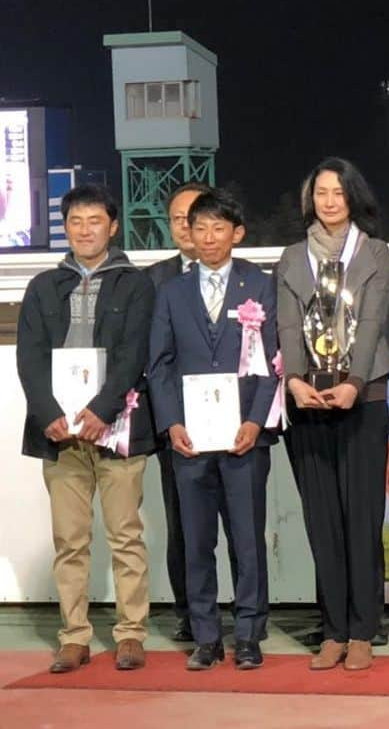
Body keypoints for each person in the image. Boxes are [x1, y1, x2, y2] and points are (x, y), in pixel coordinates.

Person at [16, 184, 156, 673]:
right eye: (75, 221)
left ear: (113, 226)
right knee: (70, 542)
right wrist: (46, 412)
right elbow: (29, 357)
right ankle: (74, 636)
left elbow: (133, 354)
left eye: (94, 220)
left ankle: (131, 633)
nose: (85, 229)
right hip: (59, 437)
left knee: (125, 537)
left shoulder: (135, 285)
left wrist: (103, 407)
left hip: (117, 430)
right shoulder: (42, 287)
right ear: (67, 228)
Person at [147, 189, 279, 671]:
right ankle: (205, 635)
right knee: (196, 541)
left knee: (247, 539)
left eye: (217, 228)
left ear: (236, 234)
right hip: (190, 440)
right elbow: (158, 365)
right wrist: (171, 422)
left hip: (245, 437)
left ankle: (248, 633)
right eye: (198, 228)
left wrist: (253, 420)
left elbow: (273, 363)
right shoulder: (171, 292)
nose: (207, 237)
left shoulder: (259, 286)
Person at [277, 158, 389, 671]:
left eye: (338, 193)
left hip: (361, 400)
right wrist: (296, 381)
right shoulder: (291, 257)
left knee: (362, 518)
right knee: (321, 520)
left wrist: (354, 383)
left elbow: (372, 324)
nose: (329, 201)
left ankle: (365, 629)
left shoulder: (373, 253)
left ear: (353, 198)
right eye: (321, 192)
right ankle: (333, 630)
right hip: (307, 402)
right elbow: (285, 327)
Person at [146, 182, 239, 643]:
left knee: (240, 526)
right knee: (185, 527)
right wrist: (170, 420)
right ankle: (191, 613)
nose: (192, 228)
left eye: (201, 219)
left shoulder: (248, 279)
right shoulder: (156, 280)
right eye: (182, 219)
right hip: (181, 430)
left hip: (236, 429)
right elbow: (154, 359)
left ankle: (246, 616)